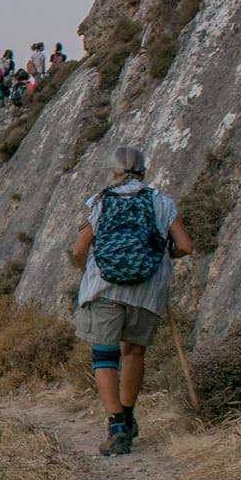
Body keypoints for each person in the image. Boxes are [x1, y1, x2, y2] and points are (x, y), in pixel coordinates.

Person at [65, 145, 193, 455]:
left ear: (114, 171)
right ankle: (129, 412)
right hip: (147, 289)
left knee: (104, 356)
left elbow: (80, 250)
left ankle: (117, 426)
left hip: (105, 287)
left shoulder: (100, 201)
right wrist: (164, 255)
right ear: (144, 170)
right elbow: (186, 247)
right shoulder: (162, 202)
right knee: (134, 352)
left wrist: (88, 272)